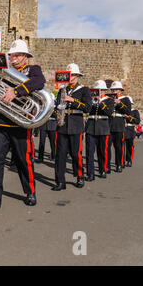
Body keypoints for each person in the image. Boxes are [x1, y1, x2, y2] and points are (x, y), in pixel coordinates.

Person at [0, 39, 45, 210]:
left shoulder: (33, 69)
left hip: (20, 123)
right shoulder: (1, 71)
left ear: (25, 56)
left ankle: (30, 192)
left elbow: (39, 82)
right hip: (0, 121)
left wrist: (16, 91)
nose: (13, 58)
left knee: (24, 160)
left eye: (17, 55)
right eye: (11, 55)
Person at [53, 63, 92, 191]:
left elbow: (87, 108)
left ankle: (80, 177)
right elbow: (57, 105)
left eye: (73, 75)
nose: (71, 77)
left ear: (77, 76)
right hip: (63, 124)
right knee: (60, 155)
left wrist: (73, 101)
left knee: (76, 154)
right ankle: (60, 181)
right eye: (69, 75)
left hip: (76, 124)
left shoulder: (84, 90)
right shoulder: (62, 90)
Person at [85, 80, 114, 181]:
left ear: (104, 91)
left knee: (102, 151)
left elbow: (109, 112)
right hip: (91, 126)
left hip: (103, 127)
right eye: (97, 90)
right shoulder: (90, 99)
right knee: (89, 152)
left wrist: (100, 102)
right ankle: (90, 173)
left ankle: (103, 170)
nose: (99, 92)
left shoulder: (109, 100)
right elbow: (87, 110)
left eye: (101, 90)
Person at [106, 81, 131, 173]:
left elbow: (128, 111)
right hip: (109, 124)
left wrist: (119, 103)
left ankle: (119, 164)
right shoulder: (108, 99)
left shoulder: (125, 99)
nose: (114, 91)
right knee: (107, 147)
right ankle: (107, 166)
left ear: (120, 90)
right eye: (112, 89)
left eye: (116, 89)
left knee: (119, 147)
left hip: (119, 125)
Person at [35, 93, 57, 163]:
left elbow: (56, 114)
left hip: (52, 124)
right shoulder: (44, 104)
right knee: (42, 142)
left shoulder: (55, 105)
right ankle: (40, 158)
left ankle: (54, 155)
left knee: (53, 142)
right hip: (44, 124)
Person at [124, 97, 140, 167]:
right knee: (121, 147)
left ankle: (129, 160)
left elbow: (137, 121)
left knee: (130, 146)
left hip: (130, 129)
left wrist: (128, 117)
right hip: (123, 128)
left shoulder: (135, 111)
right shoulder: (122, 110)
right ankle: (121, 161)